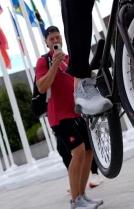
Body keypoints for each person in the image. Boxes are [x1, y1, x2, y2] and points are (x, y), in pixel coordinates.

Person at [35, 26, 103, 209]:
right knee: (79, 150)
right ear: (46, 42)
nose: (55, 41)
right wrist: (54, 65)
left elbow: (80, 80)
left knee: (89, 151)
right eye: (51, 39)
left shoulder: (69, 59)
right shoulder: (44, 61)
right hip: (59, 116)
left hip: (76, 112)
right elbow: (41, 87)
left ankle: (81, 196)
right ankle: (75, 202)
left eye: (57, 37)